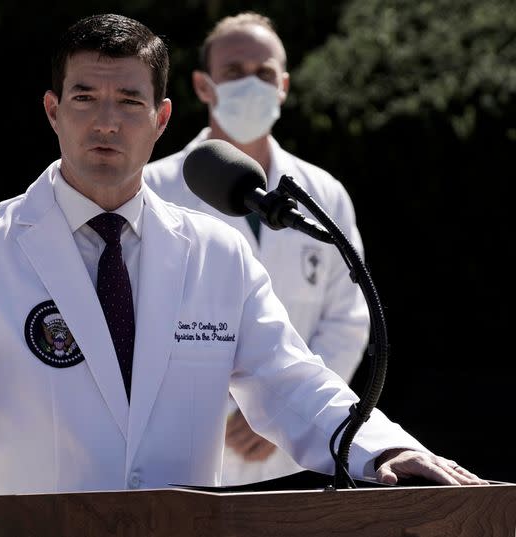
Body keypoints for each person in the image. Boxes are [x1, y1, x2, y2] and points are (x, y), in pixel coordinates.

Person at [0, 14, 484, 537]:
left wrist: (388, 448)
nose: (106, 122)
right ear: (52, 111)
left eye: (129, 102)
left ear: (162, 117)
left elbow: (292, 382)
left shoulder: (217, 254)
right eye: (85, 98)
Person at [143, 11, 370, 485]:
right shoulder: (150, 189)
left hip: (301, 458)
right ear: (204, 86)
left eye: (264, 73)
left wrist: (283, 410)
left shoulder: (323, 194)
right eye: (233, 72)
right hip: (186, 457)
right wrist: (239, 410)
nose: (252, 83)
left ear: (284, 85)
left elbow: (348, 317)